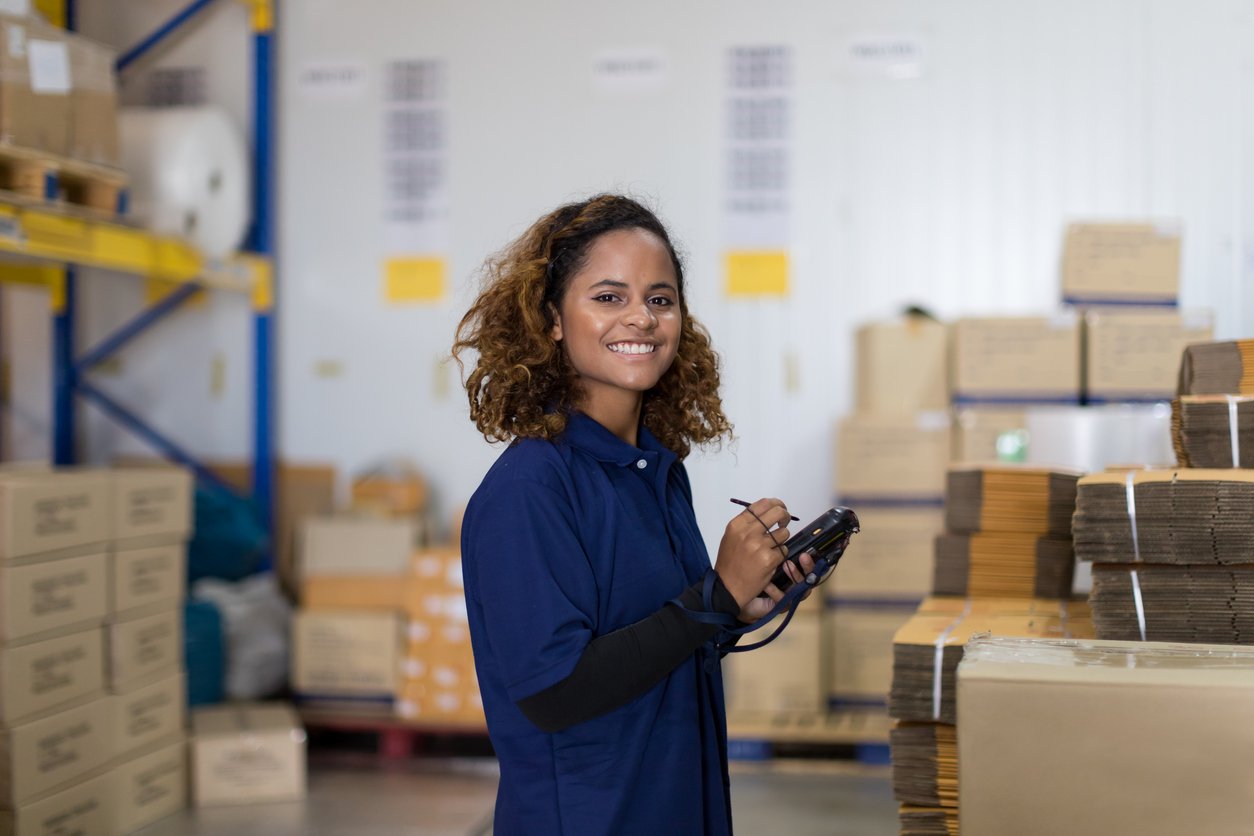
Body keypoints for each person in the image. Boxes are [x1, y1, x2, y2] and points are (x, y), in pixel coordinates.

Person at [452, 194, 815, 835]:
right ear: (553, 320)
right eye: (609, 297)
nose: (642, 319)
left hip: (680, 805)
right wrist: (715, 592)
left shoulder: (657, 471)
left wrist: (735, 607)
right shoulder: (530, 489)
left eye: (660, 299)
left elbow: (658, 638)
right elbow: (553, 690)